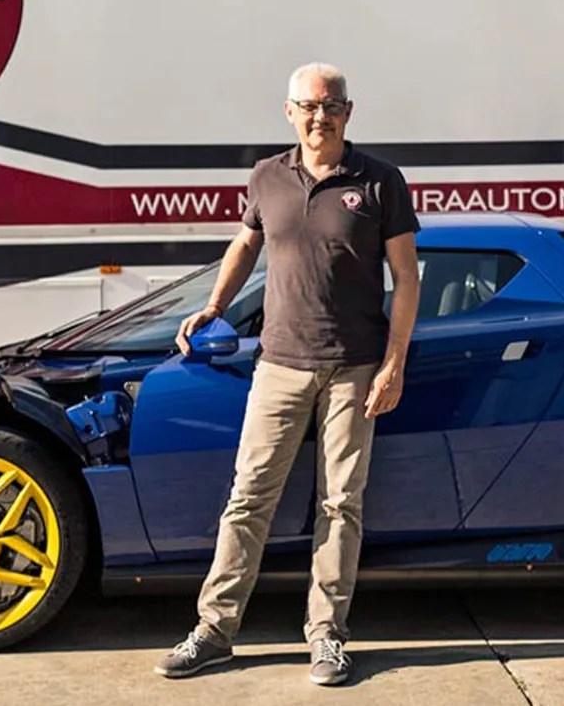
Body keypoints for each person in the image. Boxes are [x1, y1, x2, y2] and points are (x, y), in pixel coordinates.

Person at [153, 62, 421, 686]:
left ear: (349, 112)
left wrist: (394, 363)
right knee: (248, 499)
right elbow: (246, 244)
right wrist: (215, 305)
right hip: (278, 364)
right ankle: (214, 631)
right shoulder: (266, 177)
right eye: (309, 106)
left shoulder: (380, 182)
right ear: (289, 111)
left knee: (339, 504)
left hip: (355, 369)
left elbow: (407, 276)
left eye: (331, 106)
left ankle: (326, 637)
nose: (320, 116)